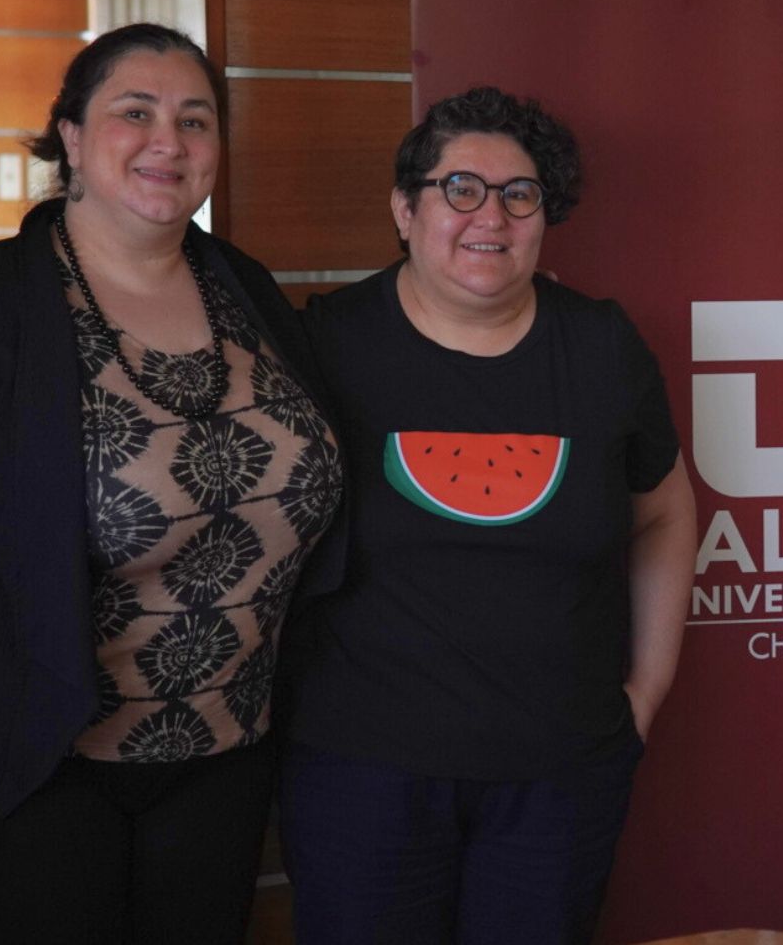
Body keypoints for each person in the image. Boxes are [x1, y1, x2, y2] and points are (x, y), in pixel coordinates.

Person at [0, 23, 345, 942]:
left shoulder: (247, 289)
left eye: (195, 120)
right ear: (69, 135)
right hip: (31, 766)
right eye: (134, 113)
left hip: (225, 760)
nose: (168, 141)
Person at [278, 86, 698, 944]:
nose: (492, 216)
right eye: (460, 189)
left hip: (561, 775)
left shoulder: (603, 345)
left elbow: (664, 513)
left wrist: (647, 691)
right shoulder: (323, 344)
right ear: (405, 209)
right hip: (361, 774)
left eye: (520, 194)